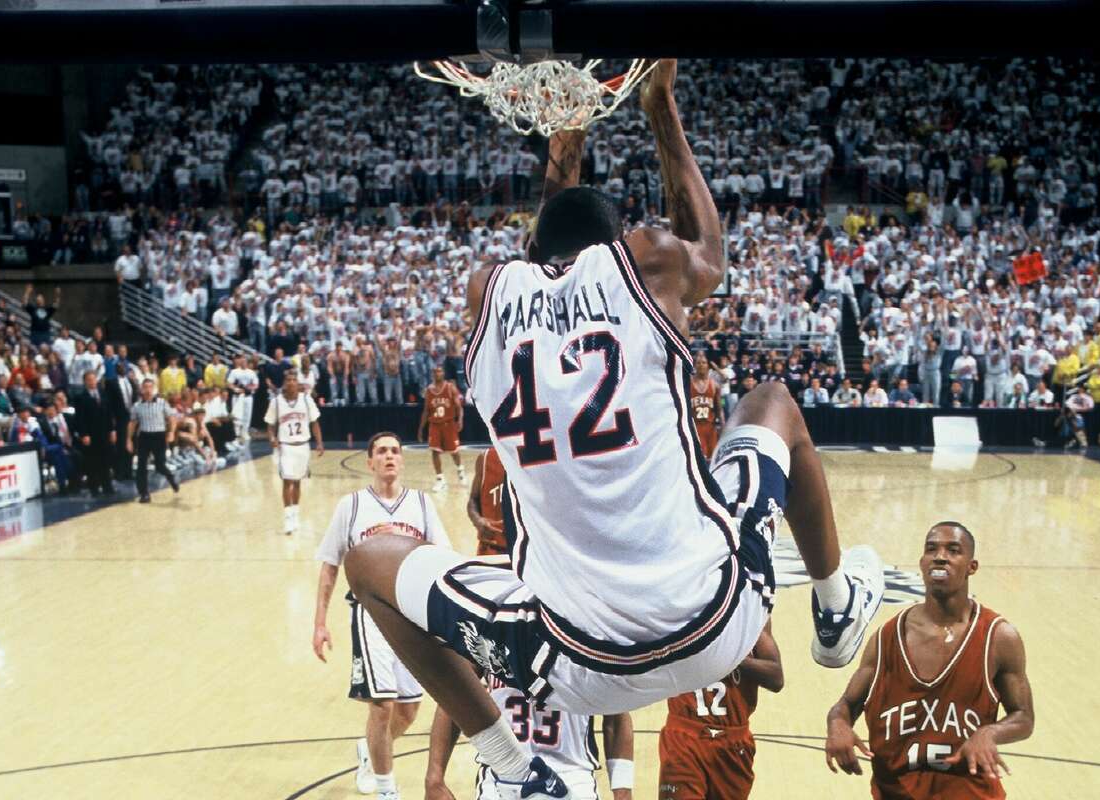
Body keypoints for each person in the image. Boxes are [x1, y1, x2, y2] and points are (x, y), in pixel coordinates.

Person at [343, 60, 883, 798]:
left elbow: (539, 253)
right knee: (775, 404)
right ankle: (833, 604)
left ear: (536, 255)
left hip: (571, 667)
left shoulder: (489, 297)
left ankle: (508, 760)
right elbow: (708, 252)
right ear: (613, 245)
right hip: (713, 625)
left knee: (368, 568)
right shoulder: (647, 264)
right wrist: (659, 104)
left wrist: (563, 135)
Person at [825, 522, 1035, 799]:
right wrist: (838, 725)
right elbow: (847, 705)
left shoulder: (998, 637)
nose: (940, 555)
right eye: (931, 548)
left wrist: (990, 734)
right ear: (922, 563)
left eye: (953, 550)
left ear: (972, 567)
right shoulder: (887, 637)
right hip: (895, 793)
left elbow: (1024, 717)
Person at [314, 432, 449, 800]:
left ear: (402, 461)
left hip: (412, 618)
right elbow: (329, 565)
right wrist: (320, 622)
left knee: (407, 712)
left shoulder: (421, 504)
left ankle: (369, 754)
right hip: (369, 612)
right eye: (381, 452)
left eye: (394, 451)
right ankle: (388, 792)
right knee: (382, 703)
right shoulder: (352, 506)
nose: (389, 456)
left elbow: (443, 560)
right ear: (370, 462)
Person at [428, 683, 635, 800]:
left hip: (572, 773)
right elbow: (452, 690)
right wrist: (434, 779)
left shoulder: (586, 626)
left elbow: (616, 716)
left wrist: (623, 789)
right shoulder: (487, 621)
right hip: (501, 775)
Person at [657, 622, 782, 800]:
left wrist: (731, 658)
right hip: (685, 735)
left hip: (733, 743)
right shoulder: (681, 607)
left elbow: (776, 678)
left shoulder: (754, 611)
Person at [265, 369, 323, 534]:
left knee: (297, 481)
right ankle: (288, 518)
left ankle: (296, 514)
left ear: (297, 383)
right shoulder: (276, 402)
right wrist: (272, 439)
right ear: (284, 383)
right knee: (287, 481)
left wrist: (319, 443)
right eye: (288, 380)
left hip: (303, 446)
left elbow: (315, 422)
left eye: (293, 380)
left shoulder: (306, 400)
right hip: (286, 446)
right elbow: (270, 426)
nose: (291, 382)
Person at [127, 378, 180, 503]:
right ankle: (144, 493)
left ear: (154, 388)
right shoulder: (137, 406)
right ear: (141, 389)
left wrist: (171, 432)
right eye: (145, 387)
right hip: (144, 436)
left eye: (150, 387)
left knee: (160, 465)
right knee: (141, 467)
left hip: (159, 436)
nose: (148, 390)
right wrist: (128, 439)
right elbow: (132, 424)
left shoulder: (162, 403)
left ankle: (170, 477)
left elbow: (172, 418)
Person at [418, 365, 465, 491]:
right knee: (435, 452)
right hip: (434, 425)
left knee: (454, 452)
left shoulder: (450, 387)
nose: (437, 373)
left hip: (449, 424)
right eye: (435, 372)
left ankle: (460, 469)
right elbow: (426, 411)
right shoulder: (429, 390)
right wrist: (421, 429)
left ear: (443, 373)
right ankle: (440, 479)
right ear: (432, 374)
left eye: (439, 371)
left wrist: (460, 420)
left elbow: (459, 407)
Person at [72, 371, 117, 496]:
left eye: (93, 379)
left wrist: (112, 430)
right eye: (89, 380)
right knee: (92, 462)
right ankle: (94, 488)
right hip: (91, 434)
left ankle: (107, 486)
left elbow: (109, 413)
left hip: (104, 433)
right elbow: (79, 418)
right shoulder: (80, 397)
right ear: (85, 382)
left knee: (105, 460)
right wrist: (84, 434)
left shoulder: (103, 393)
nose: (92, 382)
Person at [467, 447, 508, 557]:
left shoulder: (537, 462)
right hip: (491, 549)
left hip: (528, 553)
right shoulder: (485, 457)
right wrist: (478, 520)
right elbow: (473, 499)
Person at [689, 352, 724, 458]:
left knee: (711, 458)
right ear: (694, 365)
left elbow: (719, 408)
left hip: (710, 427)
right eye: (698, 363)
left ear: (708, 366)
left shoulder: (714, 385)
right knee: (698, 459)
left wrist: (722, 425)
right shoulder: (687, 384)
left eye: (704, 363)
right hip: (694, 427)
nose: (701, 365)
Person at [227, 353, 259, 445]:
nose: (243, 362)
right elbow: (229, 383)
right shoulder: (234, 372)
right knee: (237, 415)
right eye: (242, 361)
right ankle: (236, 434)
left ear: (247, 362)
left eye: (245, 361)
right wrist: (236, 389)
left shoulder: (251, 372)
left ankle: (244, 432)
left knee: (247, 415)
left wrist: (250, 388)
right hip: (237, 397)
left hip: (248, 397)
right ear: (240, 362)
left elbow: (256, 384)